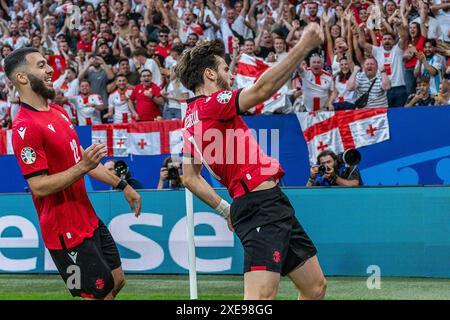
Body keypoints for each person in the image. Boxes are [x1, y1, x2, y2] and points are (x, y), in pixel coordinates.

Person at [175, 24, 327, 300]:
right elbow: (261, 91)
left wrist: (226, 210)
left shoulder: (190, 119)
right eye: (225, 69)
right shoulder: (212, 103)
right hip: (259, 207)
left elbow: (190, 177)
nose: (230, 75)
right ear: (209, 74)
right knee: (259, 299)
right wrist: (303, 46)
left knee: (315, 287)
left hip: (268, 203)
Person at [7, 47, 142, 300]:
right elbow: (38, 186)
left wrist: (122, 185)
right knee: (100, 295)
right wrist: (83, 167)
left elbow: (82, 159)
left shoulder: (57, 111)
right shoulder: (25, 127)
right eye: (40, 65)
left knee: (117, 280)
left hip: (88, 218)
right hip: (64, 233)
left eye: (47, 63)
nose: (49, 70)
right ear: (22, 78)